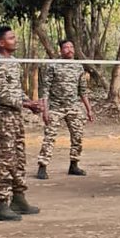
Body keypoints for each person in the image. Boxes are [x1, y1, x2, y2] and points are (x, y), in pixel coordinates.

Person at [0, 26, 44, 222]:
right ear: (1, 43)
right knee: (4, 159)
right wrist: (26, 103)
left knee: (19, 157)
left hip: (15, 117)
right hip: (3, 117)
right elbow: (2, 95)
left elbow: (16, 90)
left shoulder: (13, 63)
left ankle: (18, 198)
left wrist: (30, 103)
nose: (15, 40)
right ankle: (0, 204)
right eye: (11, 38)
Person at [35, 39, 94, 179]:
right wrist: (45, 109)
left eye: (71, 47)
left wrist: (89, 109)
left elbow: (83, 90)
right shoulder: (53, 66)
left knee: (77, 136)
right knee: (49, 137)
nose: (69, 49)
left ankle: (74, 164)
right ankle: (42, 166)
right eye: (66, 47)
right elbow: (45, 89)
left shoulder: (78, 66)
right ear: (60, 50)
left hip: (73, 107)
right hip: (55, 107)